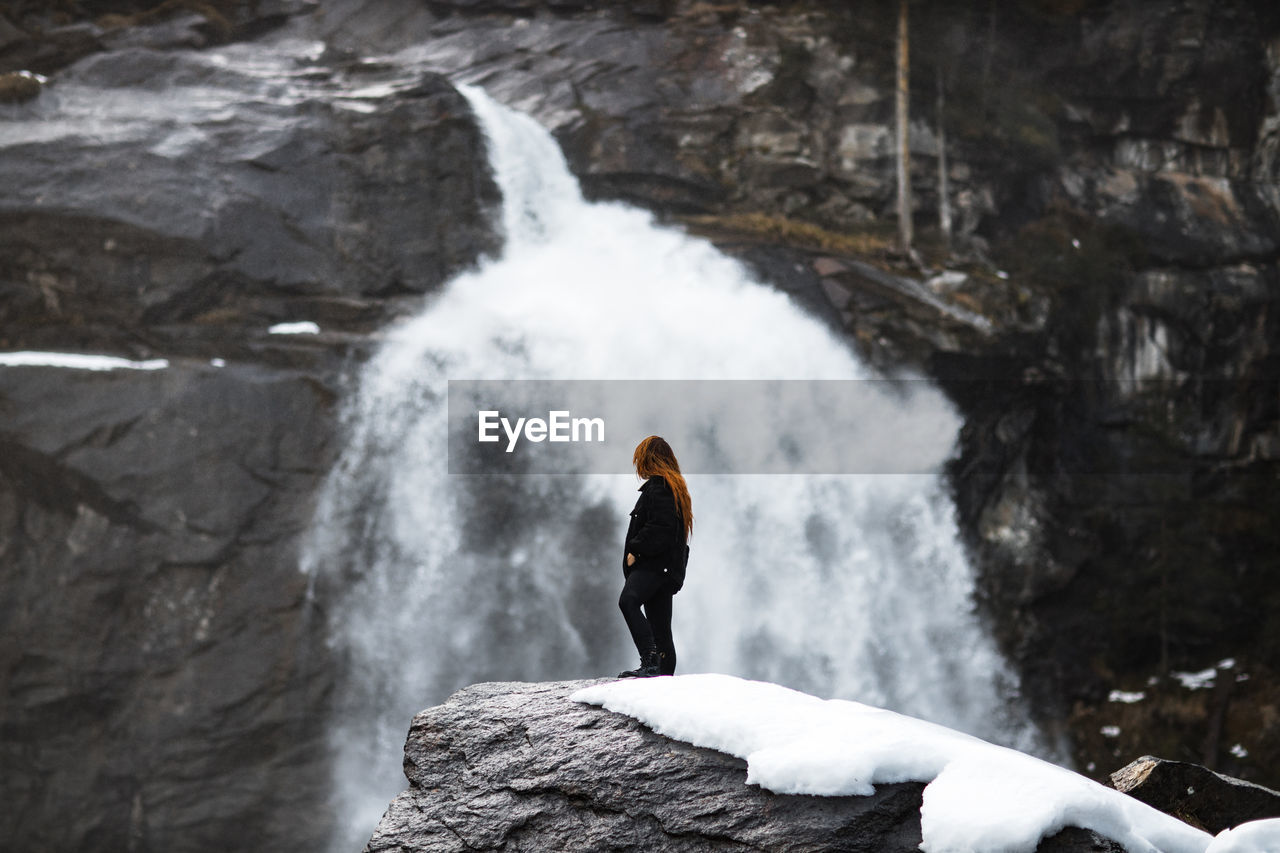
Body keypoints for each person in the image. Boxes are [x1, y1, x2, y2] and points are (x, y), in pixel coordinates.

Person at [617, 435, 692, 678]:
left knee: (628, 601)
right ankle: (664, 677)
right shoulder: (674, 487)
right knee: (661, 627)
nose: (638, 465)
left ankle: (650, 662)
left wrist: (635, 551)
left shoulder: (660, 487)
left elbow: (662, 527)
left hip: (654, 565)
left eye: (640, 459)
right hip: (666, 569)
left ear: (650, 459)